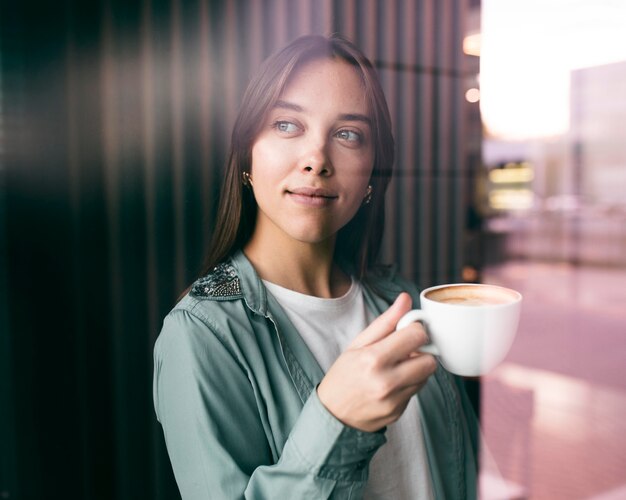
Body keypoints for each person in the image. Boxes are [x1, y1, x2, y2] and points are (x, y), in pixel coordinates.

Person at [153, 34, 478, 499]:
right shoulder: (202, 335)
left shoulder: (401, 301)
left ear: (372, 171)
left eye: (348, 134)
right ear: (247, 152)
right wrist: (339, 422)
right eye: (287, 125)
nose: (317, 160)